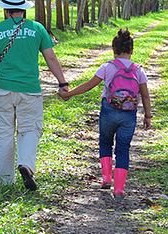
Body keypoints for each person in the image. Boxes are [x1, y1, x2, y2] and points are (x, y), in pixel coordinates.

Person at [0, 0, 68, 191]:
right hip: (30, 89)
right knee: (30, 129)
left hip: (3, 89)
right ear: (24, 8)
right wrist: (62, 82)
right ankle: (26, 164)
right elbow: (50, 57)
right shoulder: (37, 29)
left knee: (2, 133)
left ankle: (6, 179)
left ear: (6, 9)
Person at [58, 29, 151, 198]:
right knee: (123, 149)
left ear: (113, 50)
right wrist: (148, 115)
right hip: (129, 115)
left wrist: (69, 94)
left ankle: (107, 178)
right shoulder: (139, 70)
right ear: (131, 50)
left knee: (105, 143)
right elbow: (145, 95)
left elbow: (89, 85)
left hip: (109, 111)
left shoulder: (108, 67)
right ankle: (119, 188)